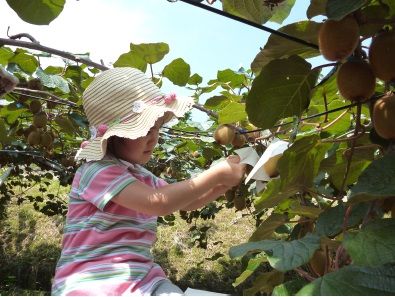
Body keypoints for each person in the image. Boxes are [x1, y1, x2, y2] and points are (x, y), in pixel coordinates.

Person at [51, 67, 246, 296]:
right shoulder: (95, 171)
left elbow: (186, 202)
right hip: (91, 279)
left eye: (156, 127)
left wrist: (222, 185)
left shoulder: (141, 176)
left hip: (144, 277)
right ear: (114, 135)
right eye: (144, 129)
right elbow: (159, 203)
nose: (154, 137)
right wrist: (215, 175)